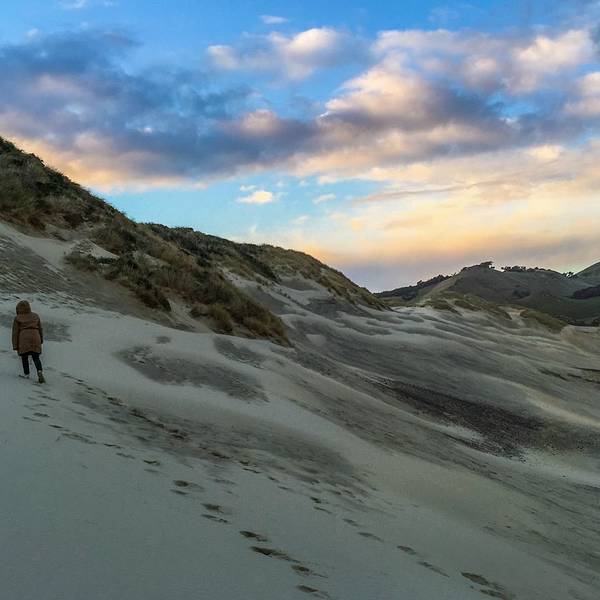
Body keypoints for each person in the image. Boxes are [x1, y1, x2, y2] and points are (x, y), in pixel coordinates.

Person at [12, 300, 46, 384]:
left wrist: (15, 345)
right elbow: (40, 329)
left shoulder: (18, 318)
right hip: (35, 336)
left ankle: (26, 374)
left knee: (24, 357)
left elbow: (15, 332)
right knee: (36, 357)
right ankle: (39, 371)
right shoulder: (35, 316)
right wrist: (41, 339)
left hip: (24, 337)